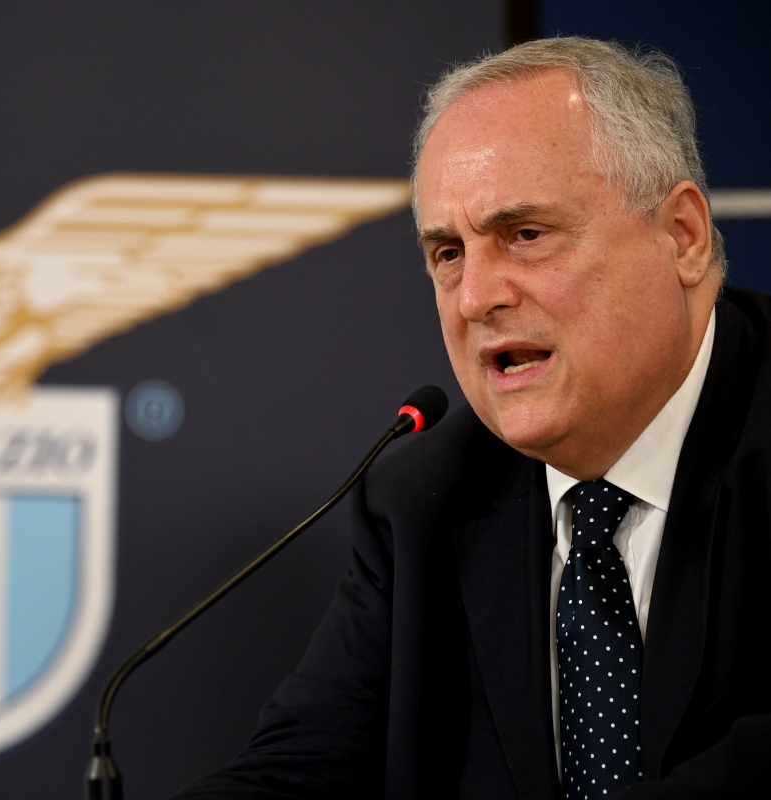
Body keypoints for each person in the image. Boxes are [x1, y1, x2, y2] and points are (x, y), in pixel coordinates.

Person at [173, 37, 770, 799]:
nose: (474, 296)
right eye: (448, 253)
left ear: (681, 236)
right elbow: (301, 767)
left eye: (525, 234)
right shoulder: (424, 499)